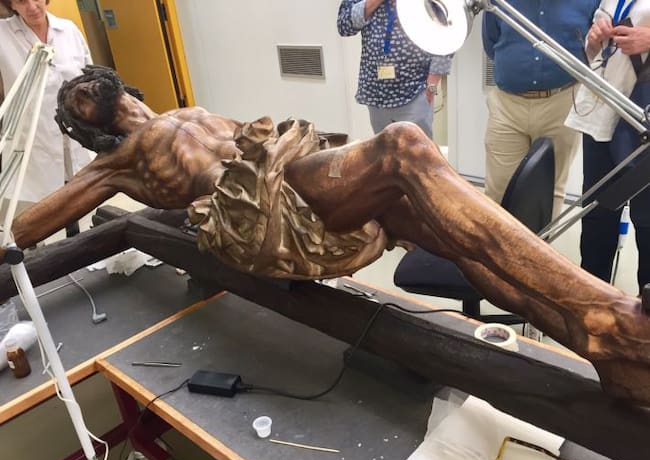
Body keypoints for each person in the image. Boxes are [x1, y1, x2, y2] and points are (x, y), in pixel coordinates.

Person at [5, 65, 650, 406]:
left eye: (82, 84)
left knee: (443, 229)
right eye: (70, 100)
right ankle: (612, 317)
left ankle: (601, 349)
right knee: (404, 145)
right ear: (83, 127)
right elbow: (28, 226)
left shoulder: (183, 110)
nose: (76, 90)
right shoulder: (117, 162)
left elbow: (256, 146)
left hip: (281, 180)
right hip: (261, 218)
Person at [482, 0, 600, 217]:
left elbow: (597, 46)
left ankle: (540, 241)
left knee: (548, 193)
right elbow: (491, 43)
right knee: (498, 192)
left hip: (561, 102)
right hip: (507, 105)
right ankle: (500, 241)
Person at [565, 1, 650, 294]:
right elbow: (594, 53)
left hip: (642, 122)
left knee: (647, 221)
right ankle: (591, 300)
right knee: (597, 216)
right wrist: (594, 38)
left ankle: (644, 312)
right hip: (603, 117)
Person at [0, 0, 93, 221]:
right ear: (11, 5)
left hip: (77, 129)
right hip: (35, 136)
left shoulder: (68, 30)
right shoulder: (3, 35)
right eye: (21, 1)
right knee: (48, 211)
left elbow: (90, 76)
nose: (32, 6)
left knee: (84, 198)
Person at [337, 0, 452, 139]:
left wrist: (433, 83)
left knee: (417, 151)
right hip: (376, 94)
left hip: (416, 91)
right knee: (385, 150)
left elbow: (448, 30)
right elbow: (344, 26)